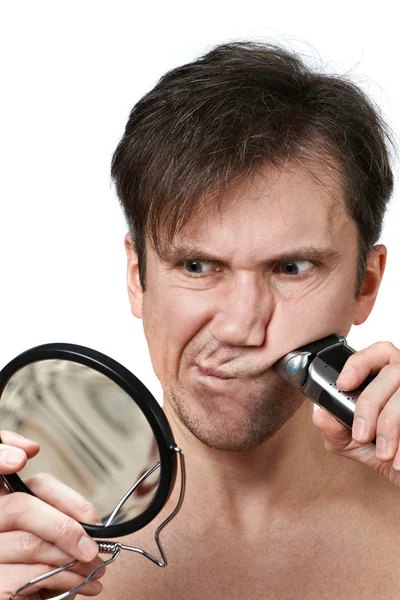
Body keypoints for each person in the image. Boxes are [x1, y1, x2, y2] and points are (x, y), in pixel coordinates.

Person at [1, 40, 400, 599]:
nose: (241, 326)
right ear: (137, 277)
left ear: (366, 285)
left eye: (291, 267)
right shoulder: (24, 543)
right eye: (197, 265)